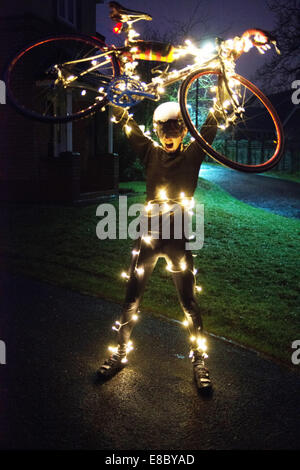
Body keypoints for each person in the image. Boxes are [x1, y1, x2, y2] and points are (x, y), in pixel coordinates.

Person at [98, 101, 219, 393]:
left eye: (175, 127)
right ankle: (120, 353)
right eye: (163, 128)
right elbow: (129, 124)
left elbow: (212, 123)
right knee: (131, 300)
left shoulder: (193, 153)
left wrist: (223, 80)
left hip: (177, 243)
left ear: (183, 130)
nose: (169, 134)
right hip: (148, 241)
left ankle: (199, 362)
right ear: (156, 129)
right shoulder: (151, 152)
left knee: (189, 303)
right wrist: (114, 105)